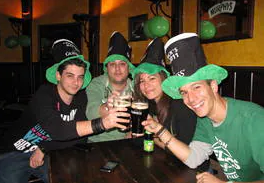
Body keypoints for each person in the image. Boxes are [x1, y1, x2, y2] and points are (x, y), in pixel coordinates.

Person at [0, 39, 130, 183]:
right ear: (58, 76)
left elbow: (78, 137)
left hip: (51, 152)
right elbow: (58, 130)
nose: (76, 82)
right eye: (70, 75)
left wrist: (44, 148)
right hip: (15, 152)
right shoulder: (44, 94)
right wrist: (102, 123)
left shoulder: (81, 98)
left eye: (80, 77)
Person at [142, 33, 264, 182]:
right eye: (184, 92)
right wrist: (159, 130)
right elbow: (193, 158)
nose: (191, 99)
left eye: (196, 87)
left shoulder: (254, 120)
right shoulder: (205, 119)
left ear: (213, 86)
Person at [132, 38, 209, 171]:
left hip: (195, 171)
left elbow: (184, 151)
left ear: (163, 79)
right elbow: (138, 141)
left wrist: (153, 136)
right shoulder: (147, 105)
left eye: (152, 78)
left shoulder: (181, 105)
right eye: (142, 81)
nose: (146, 85)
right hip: (166, 164)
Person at [86, 31, 135, 142]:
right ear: (106, 68)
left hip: (127, 143)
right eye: (112, 64)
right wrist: (107, 106)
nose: (117, 68)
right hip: (97, 143)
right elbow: (90, 112)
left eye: (122, 64)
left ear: (129, 68)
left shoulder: (136, 87)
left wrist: (133, 132)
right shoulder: (96, 84)